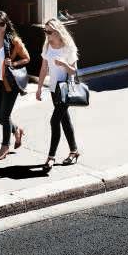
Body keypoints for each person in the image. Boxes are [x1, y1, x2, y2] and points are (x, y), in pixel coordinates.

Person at [0, 11, 30, 160]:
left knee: (4, 114)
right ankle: (16, 130)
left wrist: (14, 63)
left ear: (6, 24)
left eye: (1, 24)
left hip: (10, 82)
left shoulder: (14, 41)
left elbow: (27, 58)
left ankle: (5, 146)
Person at [36, 18, 80, 172]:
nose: (46, 34)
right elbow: (43, 68)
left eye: (49, 31)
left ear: (57, 31)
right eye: (45, 31)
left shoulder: (68, 47)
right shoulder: (47, 46)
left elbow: (74, 71)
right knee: (64, 120)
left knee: (54, 121)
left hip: (66, 89)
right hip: (54, 89)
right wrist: (39, 88)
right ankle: (74, 151)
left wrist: (63, 64)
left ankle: (50, 157)